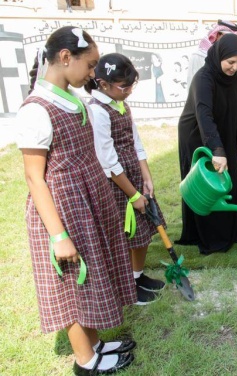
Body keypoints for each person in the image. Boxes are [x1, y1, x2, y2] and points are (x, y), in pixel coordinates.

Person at [15, 26, 136, 375]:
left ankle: (96, 344)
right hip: (63, 210)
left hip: (86, 202)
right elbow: (34, 178)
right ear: (66, 58)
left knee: (93, 274)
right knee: (73, 285)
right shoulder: (36, 110)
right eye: (91, 64)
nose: (94, 73)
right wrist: (58, 236)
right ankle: (86, 361)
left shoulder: (69, 98)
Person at [85, 53, 166, 305]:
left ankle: (137, 276)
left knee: (144, 231)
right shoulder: (98, 111)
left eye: (132, 85)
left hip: (134, 177)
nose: (129, 91)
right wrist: (133, 194)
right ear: (103, 84)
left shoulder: (121, 104)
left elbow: (136, 143)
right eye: (124, 86)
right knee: (126, 237)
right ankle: (128, 288)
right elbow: (107, 161)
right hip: (117, 185)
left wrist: (147, 177)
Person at [177, 33, 237, 254]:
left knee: (228, 178)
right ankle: (210, 235)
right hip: (198, 134)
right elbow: (204, 115)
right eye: (231, 62)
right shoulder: (204, 78)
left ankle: (232, 229)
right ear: (219, 57)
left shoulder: (234, 76)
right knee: (207, 183)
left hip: (223, 130)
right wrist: (216, 149)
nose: (235, 68)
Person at [187, 19, 237, 207]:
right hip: (203, 125)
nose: (235, 66)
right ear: (218, 36)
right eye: (231, 62)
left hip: (227, 122)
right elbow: (200, 101)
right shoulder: (199, 59)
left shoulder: (234, 63)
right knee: (208, 174)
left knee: (234, 169)